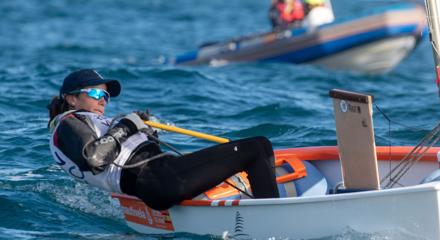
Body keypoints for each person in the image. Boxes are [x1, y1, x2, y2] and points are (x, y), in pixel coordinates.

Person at [48, 69, 279, 211]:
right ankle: (272, 216)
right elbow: (94, 158)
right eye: (96, 93)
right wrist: (127, 126)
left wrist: (148, 135)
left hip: (157, 180)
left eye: (106, 95)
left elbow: (126, 159)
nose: (103, 101)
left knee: (249, 151)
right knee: (258, 147)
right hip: (157, 179)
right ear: (71, 99)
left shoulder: (84, 124)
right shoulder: (68, 124)